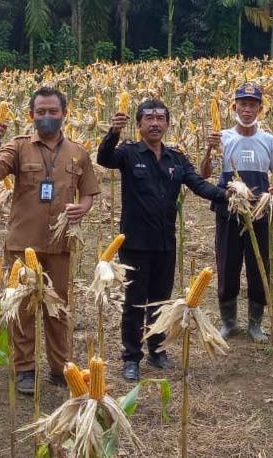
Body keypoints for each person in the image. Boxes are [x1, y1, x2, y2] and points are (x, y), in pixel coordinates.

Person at [98, 98, 228, 381]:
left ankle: (157, 349)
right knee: (134, 303)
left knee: (160, 301)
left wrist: (228, 196)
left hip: (165, 243)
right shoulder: (128, 153)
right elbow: (104, 158)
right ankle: (131, 357)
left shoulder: (176, 159)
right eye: (148, 118)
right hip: (134, 244)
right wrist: (113, 132)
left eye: (160, 118)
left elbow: (199, 184)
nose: (155, 123)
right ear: (139, 124)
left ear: (168, 124)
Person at [0, 87, 99, 394]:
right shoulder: (17, 147)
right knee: (23, 309)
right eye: (41, 112)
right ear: (31, 115)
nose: (47, 117)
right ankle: (25, 370)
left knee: (57, 309)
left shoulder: (78, 152)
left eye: (53, 111)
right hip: (23, 244)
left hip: (59, 244)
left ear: (64, 113)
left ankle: (60, 369)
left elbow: (88, 193)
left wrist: (81, 209)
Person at [199, 83, 273, 342]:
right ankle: (228, 322)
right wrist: (208, 150)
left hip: (260, 209)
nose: (247, 110)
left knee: (260, 265)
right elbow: (203, 174)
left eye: (253, 105)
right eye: (243, 104)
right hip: (228, 211)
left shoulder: (268, 140)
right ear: (234, 106)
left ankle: (255, 323)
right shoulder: (222, 137)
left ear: (261, 109)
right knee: (227, 264)